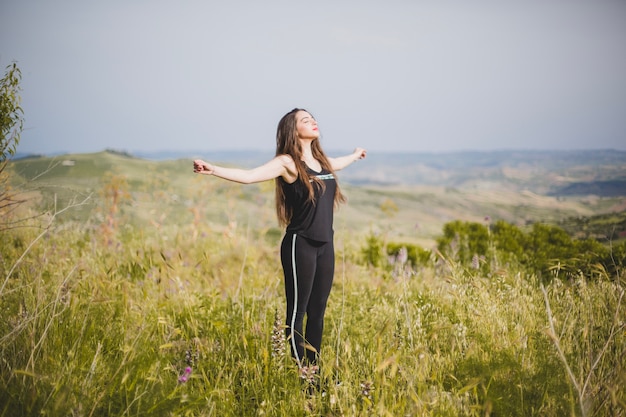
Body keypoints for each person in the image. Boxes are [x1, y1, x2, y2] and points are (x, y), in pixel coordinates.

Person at [193, 108, 366, 377]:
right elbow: (250, 176)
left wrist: (355, 155)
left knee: (318, 313)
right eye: (305, 120)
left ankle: (314, 372)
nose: (313, 122)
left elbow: (338, 163)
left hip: (326, 246)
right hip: (301, 245)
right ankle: (305, 377)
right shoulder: (287, 162)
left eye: (313, 118)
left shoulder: (322, 161)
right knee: (297, 312)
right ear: (292, 129)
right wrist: (213, 169)